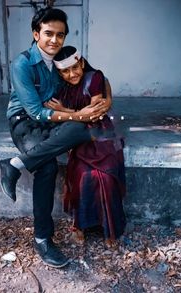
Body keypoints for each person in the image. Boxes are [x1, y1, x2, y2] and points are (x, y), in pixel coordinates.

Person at [0, 8, 111, 268]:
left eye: (60, 35)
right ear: (36, 34)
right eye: (48, 33)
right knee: (47, 166)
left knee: (86, 128)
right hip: (25, 122)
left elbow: (97, 76)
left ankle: (14, 164)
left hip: (55, 120)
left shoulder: (62, 56)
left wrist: (104, 103)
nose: (54, 40)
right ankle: (42, 239)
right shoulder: (23, 63)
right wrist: (76, 114)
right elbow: (36, 111)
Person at [47, 46, 126, 247]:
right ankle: (80, 226)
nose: (71, 74)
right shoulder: (62, 86)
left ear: (81, 63)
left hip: (100, 135)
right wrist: (67, 114)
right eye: (65, 71)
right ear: (59, 72)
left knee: (106, 177)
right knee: (81, 174)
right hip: (77, 135)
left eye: (75, 68)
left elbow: (94, 113)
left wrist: (63, 110)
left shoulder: (94, 78)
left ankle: (110, 229)